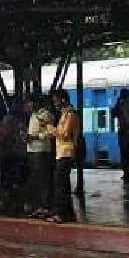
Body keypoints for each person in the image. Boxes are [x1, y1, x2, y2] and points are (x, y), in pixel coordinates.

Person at [48, 90, 80, 223]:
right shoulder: (65, 114)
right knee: (64, 185)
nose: (55, 103)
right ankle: (69, 213)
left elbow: (65, 134)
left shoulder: (70, 115)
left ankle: (61, 214)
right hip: (62, 153)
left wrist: (51, 129)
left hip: (66, 152)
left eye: (56, 100)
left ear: (63, 100)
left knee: (60, 184)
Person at [24, 96, 54, 217]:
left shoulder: (45, 115)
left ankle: (46, 206)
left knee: (43, 179)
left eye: (29, 103)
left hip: (41, 151)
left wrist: (35, 137)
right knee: (35, 179)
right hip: (31, 150)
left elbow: (50, 132)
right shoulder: (33, 115)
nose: (28, 106)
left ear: (36, 103)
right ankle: (38, 206)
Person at [112, 89, 129, 183]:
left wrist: (117, 102)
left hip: (124, 132)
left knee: (124, 155)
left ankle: (126, 174)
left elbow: (113, 114)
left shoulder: (120, 105)